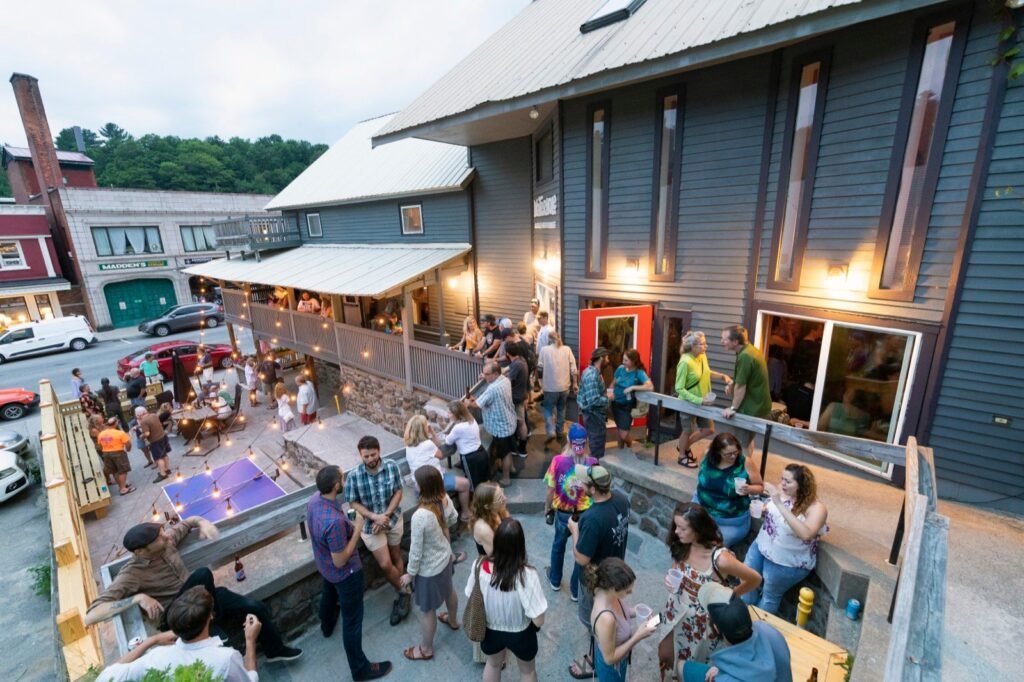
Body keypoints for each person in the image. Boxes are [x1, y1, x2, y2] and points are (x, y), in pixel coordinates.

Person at [85, 521, 302, 662]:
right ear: (141, 551)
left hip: (204, 597)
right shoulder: (131, 574)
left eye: (163, 533)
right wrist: (137, 598)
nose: (166, 537)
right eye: (159, 538)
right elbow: (91, 616)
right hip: (178, 616)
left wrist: (202, 523)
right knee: (202, 575)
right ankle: (210, 622)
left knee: (255, 608)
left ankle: (275, 651)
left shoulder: (166, 543)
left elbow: (188, 522)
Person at [308, 465, 392, 681]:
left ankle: (326, 626)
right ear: (336, 485)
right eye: (342, 479)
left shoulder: (314, 501)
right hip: (346, 574)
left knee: (328, 595)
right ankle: (360, 669)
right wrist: (356, 529)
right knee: (352, 622)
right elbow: (341, 560)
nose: (343, 481)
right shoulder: (334, 522)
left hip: (324, 566)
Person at [659, 502, 762, 673]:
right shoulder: (682, 543)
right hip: (674, 610)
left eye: (682, 528)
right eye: (676, 526)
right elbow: (675, 568)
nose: (676, 532)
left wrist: (728, 597)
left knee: (688, 667)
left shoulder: (720, 559)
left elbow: (755, 579)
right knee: (666, 657)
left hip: (701, 625)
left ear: (698, 529)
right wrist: (670, 579)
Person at [96, 586, 261, 682]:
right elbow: (249, 679)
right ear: (210, 616)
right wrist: (250, 640)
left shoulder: (156, 657)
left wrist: (151, 641)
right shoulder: (226, 658)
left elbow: (106, 676)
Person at [566, 465, 630, 679]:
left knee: (593, 620)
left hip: (596, 581)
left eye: (584, 483)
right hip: (615, 571)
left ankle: (597, 657)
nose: (580, 485)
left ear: (593, 489)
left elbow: (581, 558)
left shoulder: (592, 518)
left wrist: (575, 531)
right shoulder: (621, 499)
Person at [464, 518, 547, 682]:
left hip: (490, 630)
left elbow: (470, 594)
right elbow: (538, 620)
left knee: (493, 664)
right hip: (521, 632)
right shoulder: (527, 575)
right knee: (527, 671)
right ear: (520, 545)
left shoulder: (479, 566)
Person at [742, 464, 828, 615]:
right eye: (782, 479)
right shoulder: (781, 492)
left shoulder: (816, 508)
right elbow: (776, 516)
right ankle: (743, 616)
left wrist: (778, 503)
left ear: (802, 485)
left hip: (786, 561)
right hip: (762, 546)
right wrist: (764, 510)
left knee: (769, 597)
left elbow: (806, 534)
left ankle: (757, 627)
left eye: (788, 481)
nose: (782, 484)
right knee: (746, 579)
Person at [345, 435, 410, 626]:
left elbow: (398, 491)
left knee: (397, 555)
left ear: (379, 451)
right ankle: (405, 591)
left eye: (373, 455)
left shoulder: (391, 466)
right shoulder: (354, 476)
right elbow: (353, 502)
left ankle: (402, 592)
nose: (370, 459)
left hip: (393, 519)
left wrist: (386, 516)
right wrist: (375, 517)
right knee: (384, 564)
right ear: (360, 455)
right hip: (369, 526)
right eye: (366, 456)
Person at [400, 467, 462, 662]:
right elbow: (453, 518)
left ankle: (425, 649)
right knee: (449, 590)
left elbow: (416, 551)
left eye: (416, 482)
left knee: (428, 611)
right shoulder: (443, 498)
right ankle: (453, 620)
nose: (414, 484)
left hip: (429, 570)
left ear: (424, 486)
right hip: (445, 558)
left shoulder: (420, 516)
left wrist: (409, 574)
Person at [681, 583, 792, 682]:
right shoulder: (769, 631)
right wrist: (723, 669)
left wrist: (724, 674)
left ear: (716, 628)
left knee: (682, 667)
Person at [543, 423, 597, 600]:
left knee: (558, 546)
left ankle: (555, 580)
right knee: (580, 552)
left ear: (568, 440)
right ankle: (575, 590)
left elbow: (551, 489)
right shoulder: (592, 463)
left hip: (563, 514)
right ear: (586, 441)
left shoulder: (557, 461)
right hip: (584, 515)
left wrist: (547, 507)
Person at [586, 558, 659, 681]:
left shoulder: (605, 592)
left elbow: (621, 613)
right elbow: (609, 659)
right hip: (612, 669)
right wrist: (638, 636)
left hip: (618, 660)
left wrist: (636, 611)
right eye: (628, 591)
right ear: (614, 588)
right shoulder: (607, 619)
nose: (631, 592)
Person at [696, 432, 764, 547]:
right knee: (690, 537)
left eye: (735, 452)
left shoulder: (745, 462)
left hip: (731, 521)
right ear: (717, 452)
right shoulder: (707, 455)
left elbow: (760, 487)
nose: (733, 456)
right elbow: (701, 470)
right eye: (728, 454)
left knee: (713, 547)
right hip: (704, 511)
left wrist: (749, 489)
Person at [404, 415, 471, 521]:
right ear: (423, 428)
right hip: (433, 483)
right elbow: (441, 454)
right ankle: (466, 514)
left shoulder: (408, 446)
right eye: (426, 425)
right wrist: (432, 433)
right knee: (465, 483)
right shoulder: (427, 444)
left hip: (419, 484)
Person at [675, 331, 726, 467]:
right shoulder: (685, 362)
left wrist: (722, 376)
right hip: (688, 403)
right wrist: (699, 400)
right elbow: (679, 388)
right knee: (687, 431)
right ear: (692, 346)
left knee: (709, 429)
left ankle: (683, 447)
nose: (706, 346)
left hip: (703, 402)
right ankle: (681, 457)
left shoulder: (702, 356)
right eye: (703, 344)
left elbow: (706, 372)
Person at [720, 325, 772, 456]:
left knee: (740, 445)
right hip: (759, 405)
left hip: (751, 408)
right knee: (748, 441)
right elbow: (743, 380)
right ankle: (746, 469)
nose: (721, 342)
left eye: (724, 339)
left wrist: (733, 408)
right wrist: (732, 383)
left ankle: (743, 474)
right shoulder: (750, 350)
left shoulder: (745, 357)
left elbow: (741, 386)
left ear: (735, 342)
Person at [466, 360, 518, 486]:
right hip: (510, 420)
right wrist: (486, 377)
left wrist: (468, 403)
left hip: (501, 427)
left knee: (505, 453)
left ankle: (506, 478)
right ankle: (512, 468)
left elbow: (477, 405)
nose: (484, 376)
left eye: (487, 374)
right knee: (509, 449)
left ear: (495, 374)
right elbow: (489, 400)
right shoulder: (505, 380)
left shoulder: (493, 389)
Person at [538, 331, 577, 449]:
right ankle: (560, 432)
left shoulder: (544, 350)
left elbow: (540, 369)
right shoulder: (567, 349)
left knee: (548, 409)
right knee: (561, 408)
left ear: (549, 340)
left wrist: (540, 384)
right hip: (564, 386)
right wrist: (575, 383)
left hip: (549, 387)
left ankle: (550, 430)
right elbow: (573, 368)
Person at [609, 348, 653, 450]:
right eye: (623, 359)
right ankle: (621, 451)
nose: (623, 362)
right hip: (615, 403)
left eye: (626, 360)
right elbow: (613, 383)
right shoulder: (620, 368)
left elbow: (650, 386)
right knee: (620, 428)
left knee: (624, 434)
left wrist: (632, 387)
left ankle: (629, 445)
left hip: (626, 407)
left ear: (633, 361)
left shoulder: (639, 373)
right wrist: (609, 394)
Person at [442, 400, 490, 491]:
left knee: (473, 485)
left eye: (449, 413)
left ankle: (475, 503)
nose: (448, 415)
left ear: (456, 414)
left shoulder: (458, 428)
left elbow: (448, 441)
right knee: (484, 480)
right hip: (481, 452)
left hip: (470, 458)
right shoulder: (471, 419)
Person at [577, 347, 611, 460]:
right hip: (594, 417)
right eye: (607, 358)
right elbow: (593, 401)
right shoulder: (592, 376)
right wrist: (608, 398)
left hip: (594, 417)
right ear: (601, 358)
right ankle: (594, 472)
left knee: (594, 445)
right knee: (596, 450)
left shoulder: (592, 372)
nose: (608, 360)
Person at [470, 482, 509, 558]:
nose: (505, 498)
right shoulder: (484, 529)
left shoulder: (498, 509)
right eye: (500, 498)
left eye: (502, 493)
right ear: (487, 506)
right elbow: (495, 557)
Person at [97, 418, 134, 495]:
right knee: (123, 471)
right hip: (118, 453)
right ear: (115, 424)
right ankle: (123, 489)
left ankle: (121, 486)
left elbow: (100, 445)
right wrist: (128, 449)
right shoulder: (120, 433)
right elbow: (127, 444)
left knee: (115, 471)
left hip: (106, 454)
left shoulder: (101, 434)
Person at [505, 343, 530, 456]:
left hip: (516, 397)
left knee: (520, 422)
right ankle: (519, 445)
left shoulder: (516, 365)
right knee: (520, 421)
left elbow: (509, 381)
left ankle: (522, 448)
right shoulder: (521, 360)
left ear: (508, 353)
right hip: (522, 394)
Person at [136, 406, 171, 483]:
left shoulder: (143, 421)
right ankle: (167, 469)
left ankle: (163, 474)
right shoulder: (154, 415)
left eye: (137, 415)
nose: (137, 417)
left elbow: (147, 433)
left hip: (155, 441)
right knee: (164, 454)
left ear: (139, 414)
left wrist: (141, 436)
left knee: (158, 458)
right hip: (162, 436)